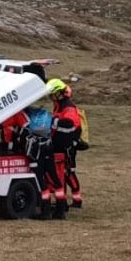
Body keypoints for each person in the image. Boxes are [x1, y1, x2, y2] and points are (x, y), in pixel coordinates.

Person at [48, 79, 88, 212]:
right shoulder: (59, 105)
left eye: (53, 94)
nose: (51, 97)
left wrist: (52, 122)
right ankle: (68, 199)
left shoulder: (68, 107)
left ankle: (76, 199)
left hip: (68, 146)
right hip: (62, 144)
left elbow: (69, 125)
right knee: (63, 172)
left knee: (68, 172)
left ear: (59, 93)